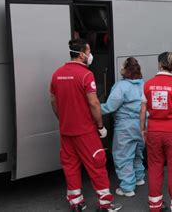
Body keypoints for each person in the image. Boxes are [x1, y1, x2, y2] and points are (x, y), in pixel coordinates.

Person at [50, 38, 122, 212]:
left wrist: (63, 119)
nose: (90, 55)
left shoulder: (57, 73)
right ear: (82, 54)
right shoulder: (86, 75)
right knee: (97, 164)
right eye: (89, 52)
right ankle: (105, 204)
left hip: (66, 130)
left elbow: (53, 101)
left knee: (70, 166)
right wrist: (100, 126)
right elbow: (94, 103)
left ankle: (76, 203)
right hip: (85, 131)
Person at [140, 52, 172, 212]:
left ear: (159, 64)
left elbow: (142, 110)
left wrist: (143, 129)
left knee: (155, 167)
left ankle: (155, 205)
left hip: (154, 132)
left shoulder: (147, 84)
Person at [100, 57, 145, 197]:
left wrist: (95, 108)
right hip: (142, 124)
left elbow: (110, 106)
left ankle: (127, 188)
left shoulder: (121, 86)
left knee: (123, 156)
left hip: (126, 127)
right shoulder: (143, 84)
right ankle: (139, 178)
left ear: (126, 70)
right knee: (137, 152)